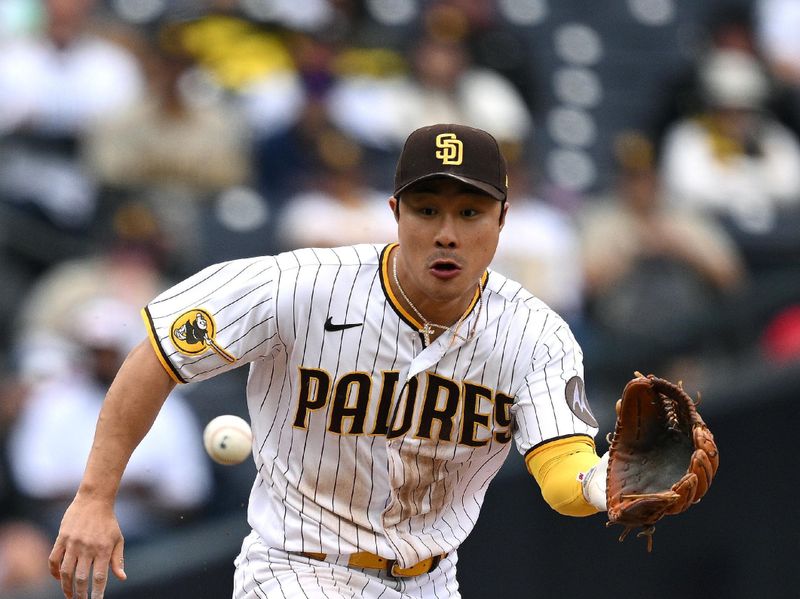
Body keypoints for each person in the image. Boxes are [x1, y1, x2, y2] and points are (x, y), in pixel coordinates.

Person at [49, 124, 608, 599]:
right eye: (426, 210)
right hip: (297, 568)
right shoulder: (304, 286)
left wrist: (609, 485)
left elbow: (563, 476)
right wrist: (95, 497)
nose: (446, 234)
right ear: (394, 212)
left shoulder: (535, 334)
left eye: (470, 212)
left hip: (432, 582)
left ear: (503, 219)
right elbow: (158, 355)